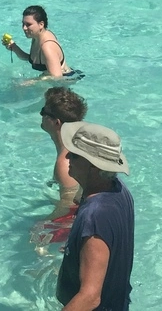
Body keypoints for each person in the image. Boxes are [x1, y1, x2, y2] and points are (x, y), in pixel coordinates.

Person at [56, 122, 134, 311]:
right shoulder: (118, 189)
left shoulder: (95, 216)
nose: (67, 158)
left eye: (74, 155)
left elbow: (90, 297)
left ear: (92, 167)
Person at [31, 87, 88, 251]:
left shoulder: (65, 163)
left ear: (56, 122)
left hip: (77, 218)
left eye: (44, 112)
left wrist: (42, 227)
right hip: (83, 210)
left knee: (35, 235)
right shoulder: (76, 145)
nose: (41, 115)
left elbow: (69, 207)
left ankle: (49, 266)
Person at [3, 5, 77, 79]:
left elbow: (57, 77)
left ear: (41, 24)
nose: (24, 28)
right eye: (23, 24)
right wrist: (14, 47)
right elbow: (30, 59)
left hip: (66, 82)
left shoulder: (47, 47)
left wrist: (31, 82)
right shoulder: (36, 37)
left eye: (28, 24)